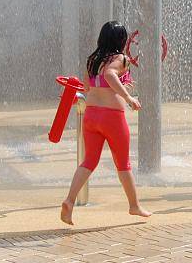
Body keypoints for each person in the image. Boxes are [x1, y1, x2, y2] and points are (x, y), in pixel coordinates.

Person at [61, 21, 151, 225]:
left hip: (92, 116)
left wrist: (120, 85)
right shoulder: (121, 58)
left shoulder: (92, 59)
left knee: (89, 162)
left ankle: (69, 200)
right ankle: (134, 205)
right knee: (123, 164)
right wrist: (128, 98)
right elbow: (110, 75)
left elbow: (87, 86)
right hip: (112, 117)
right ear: (121, 40)